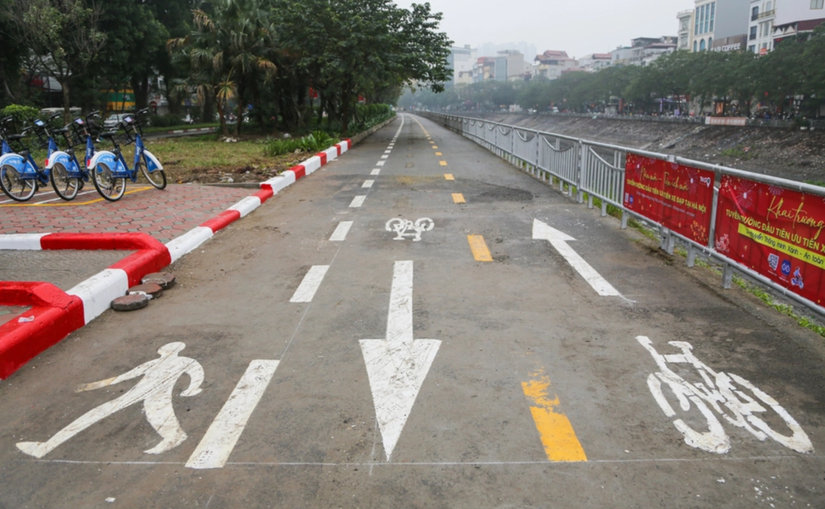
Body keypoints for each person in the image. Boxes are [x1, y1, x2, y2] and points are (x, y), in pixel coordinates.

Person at [16, 342, 204, 458]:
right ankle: (46, 446)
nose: (164, 349)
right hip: (135, 393)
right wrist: (92, 386)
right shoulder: (152, 363)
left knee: (160, 417)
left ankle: (175, 437)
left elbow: (196, 372)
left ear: (175, 350)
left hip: (156, 394)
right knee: (95, 413)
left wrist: (192, 388)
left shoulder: (183, 361)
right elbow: (124, 377)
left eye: (168, 348)